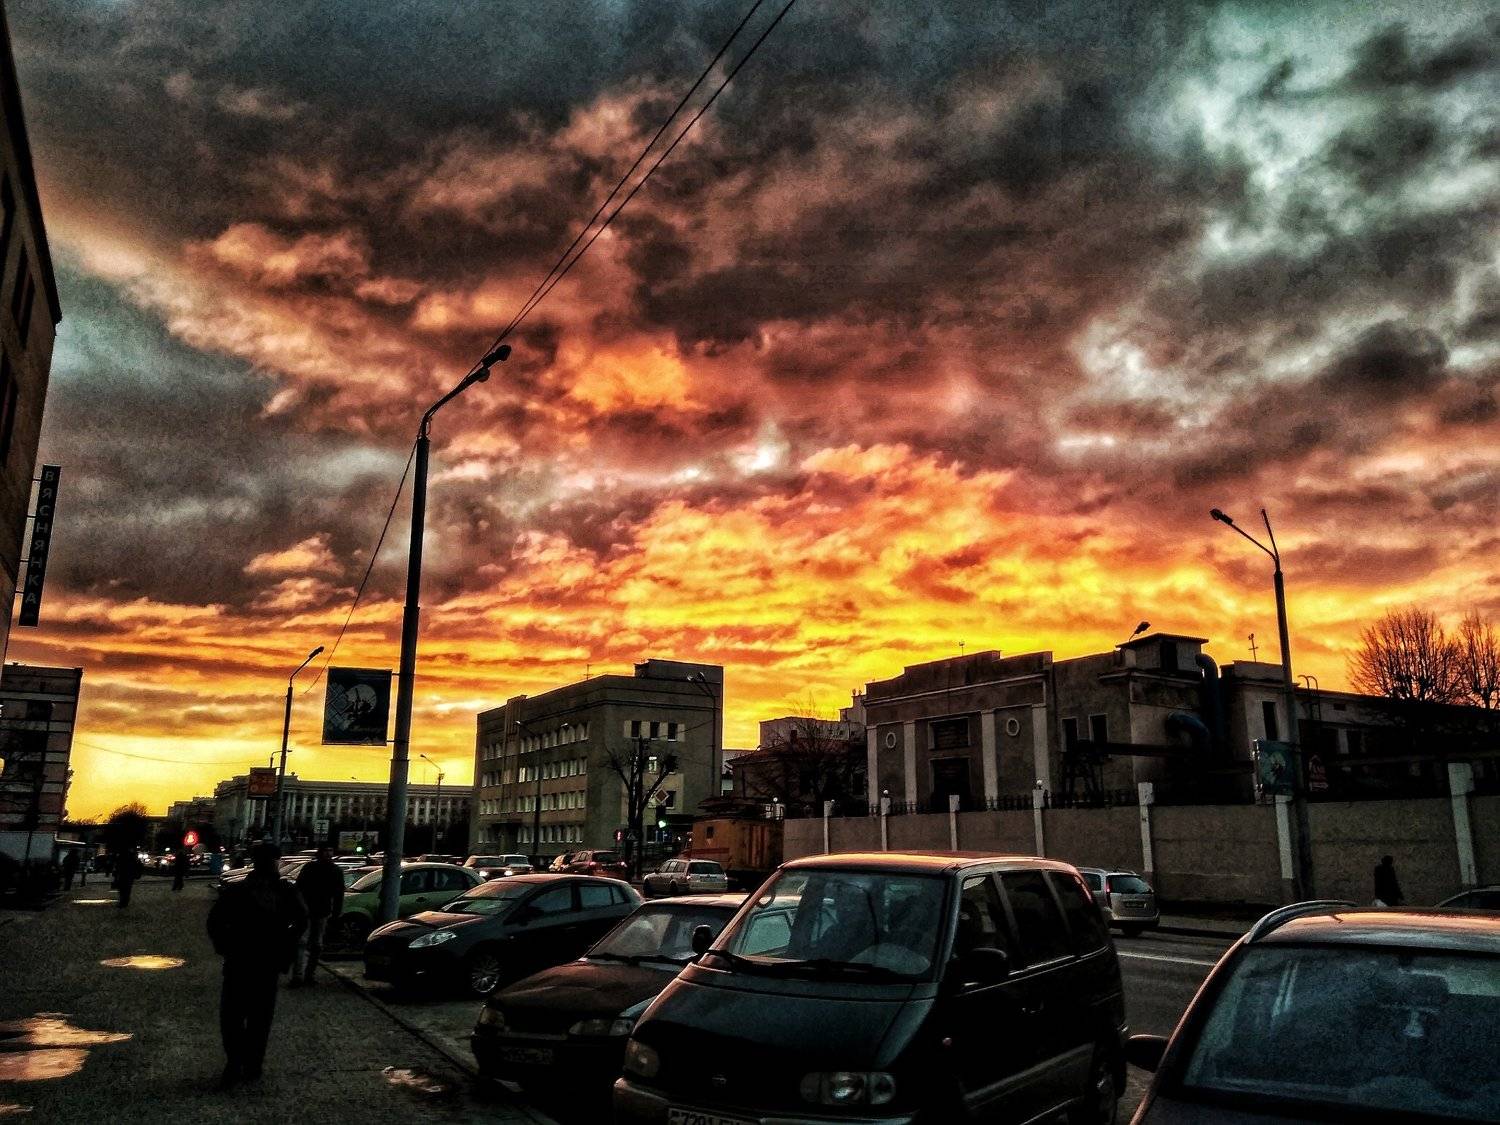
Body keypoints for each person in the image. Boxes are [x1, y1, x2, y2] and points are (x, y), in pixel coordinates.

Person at [206, 843, 306, 1088]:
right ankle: (250, 1063)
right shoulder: (282, 891)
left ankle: (237, 1062)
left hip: (242, 962)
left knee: (234, 1016)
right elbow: (301, 922)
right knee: (257, 1018)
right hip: (263, 963)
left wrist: (226, 946)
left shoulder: (239, 890)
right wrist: (285, 947)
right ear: (274, 863)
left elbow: (214, 923)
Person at [292, 847, 344, 986]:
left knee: (316, 945)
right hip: (307, 912)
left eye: (330, 850)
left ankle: (308, 975)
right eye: (326, 851)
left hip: (321, 911)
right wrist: (301, 907)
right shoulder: (310, 868)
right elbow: (298, 889)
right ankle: (299, 976)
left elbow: (339, 894)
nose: (328, 853)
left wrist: (336, 913)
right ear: (320, 853)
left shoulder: (335, 871)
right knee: (304, 943)